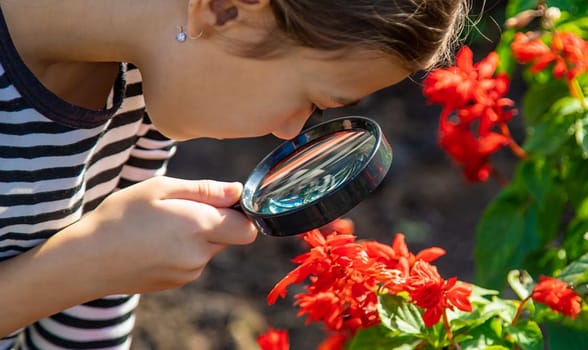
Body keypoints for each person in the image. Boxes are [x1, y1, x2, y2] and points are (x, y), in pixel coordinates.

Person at [0, 0, 467, 348]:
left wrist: (103, 266)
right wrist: (85, 266)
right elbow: (89, 271)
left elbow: (90, 312)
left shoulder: (152, 73)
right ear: (223, 10)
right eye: (315, 101)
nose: (290, 129)